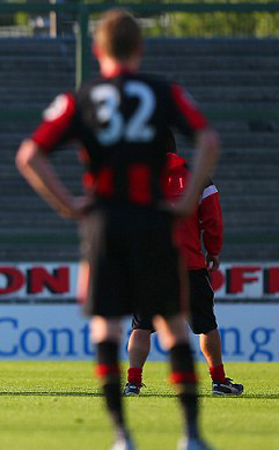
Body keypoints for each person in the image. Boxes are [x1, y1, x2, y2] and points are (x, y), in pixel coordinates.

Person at [16, 9, 220, 450]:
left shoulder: (81, 98)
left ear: (97, 50)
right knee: (174, 325)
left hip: (104, 222)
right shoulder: (164, 92)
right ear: (139, 49)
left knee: (107, 329)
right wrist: (186, 201)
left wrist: (69, 205)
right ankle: (190, 434)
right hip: (153, 219)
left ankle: (122, 436)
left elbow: (29, 154)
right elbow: (208, 140)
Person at [124, 129, 243, 397]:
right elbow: (213, 220)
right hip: (189, 264)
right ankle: (219, 381)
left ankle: (132, 383)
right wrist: (213, 250)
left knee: (141, 326)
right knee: (206, 325)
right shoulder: (197, 176)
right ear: (174, 147)